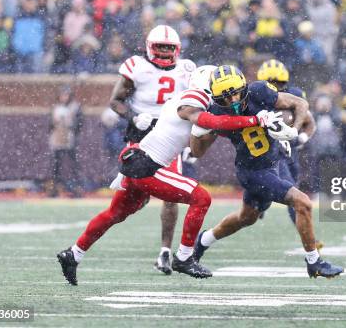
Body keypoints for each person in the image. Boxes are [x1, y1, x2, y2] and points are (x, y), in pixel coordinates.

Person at [57, 65, 283, 284]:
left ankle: (73, 254)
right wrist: (255, 119)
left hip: (138, 160)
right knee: (201, 198)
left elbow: (213, 131)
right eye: (221, 92)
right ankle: (184, 258)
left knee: (115, 213)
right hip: (147, 166)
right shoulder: (195, 98)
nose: (225, 98)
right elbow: (206, 120)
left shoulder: (189, 99)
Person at [190, 65, 343, 278]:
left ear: (243, 87)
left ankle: (202, 241)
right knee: (303, 203)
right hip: (254, 172)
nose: (233, 101)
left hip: (271, 163)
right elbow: (197, 151)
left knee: (246, 218)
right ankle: (314, 261)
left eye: (235, 93)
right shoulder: (216, 113)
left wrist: (293, 130)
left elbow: (300, 103)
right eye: (225, 97)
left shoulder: (259, 92)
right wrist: (196, 132)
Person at [108, 24, 194, 275]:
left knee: (172, 194)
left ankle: (165, 251)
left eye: (170, 48)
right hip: (141, 135)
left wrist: (191, 141)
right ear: (149, 47)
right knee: (136, 198)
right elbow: (115, 101)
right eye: (161, 47)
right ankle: (86, 242)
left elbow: (194, 106)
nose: (166, 52)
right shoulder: (137, 66)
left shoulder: (188, 70)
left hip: (170, 135)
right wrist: (134, 117)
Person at [255, 59, 318, 230]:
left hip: (290, 152)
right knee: (292, 192)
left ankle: (260, 205)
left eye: (278, 83)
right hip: (268, 152)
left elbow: (310, 123)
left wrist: (301, 137)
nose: (275, 87)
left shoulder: (294, 96)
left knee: (282, 188)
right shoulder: (256, 97)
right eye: (270, 83)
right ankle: (308, 239)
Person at [49, 86, 82, 197]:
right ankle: (55, 188)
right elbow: (50, 124)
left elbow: (79, 124)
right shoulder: (55, 108)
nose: (64, 97)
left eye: (66, 95)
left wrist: (70, 125)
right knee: (56, 166)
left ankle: (76, 188)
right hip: (57, 139)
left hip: (70, 139)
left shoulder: (75, 107)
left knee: (72, 166)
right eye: (62, 95)